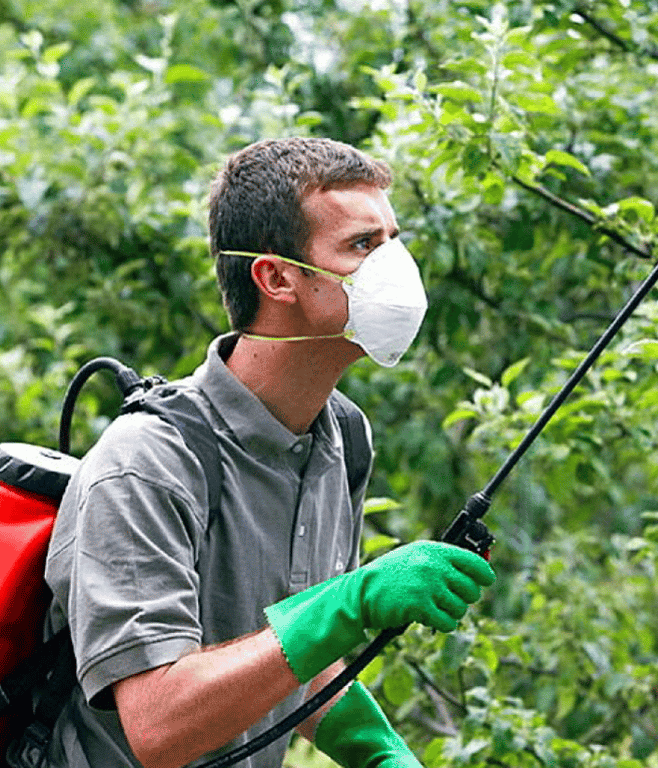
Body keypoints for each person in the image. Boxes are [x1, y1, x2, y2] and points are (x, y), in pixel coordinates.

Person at [42, 137, 495, 768]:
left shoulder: (343, 438)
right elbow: (158, 723)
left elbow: (286, 655)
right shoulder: (146, 461)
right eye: (364, 246)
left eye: (394, 240)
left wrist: (376, 750)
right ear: (276, 277)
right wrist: (354, 600)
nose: (396, 267)